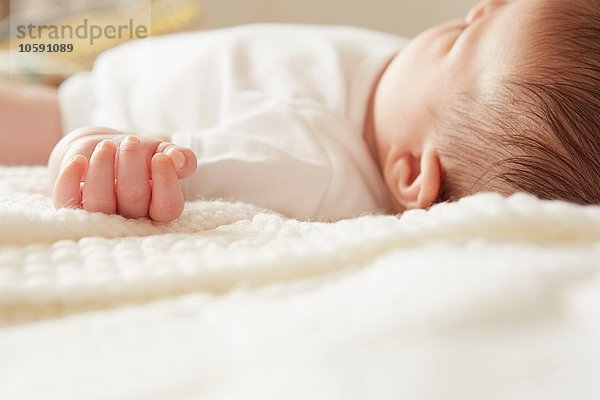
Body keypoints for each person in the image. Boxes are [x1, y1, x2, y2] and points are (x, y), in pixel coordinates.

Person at [1, 0, 598, 223]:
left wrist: (97, 150)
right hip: (115, 61)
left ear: (412, 172)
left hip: (82, 106)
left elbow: (168, 168)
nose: (476, 6)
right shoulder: (393, 103)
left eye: (459, 38)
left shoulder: (308, 161)